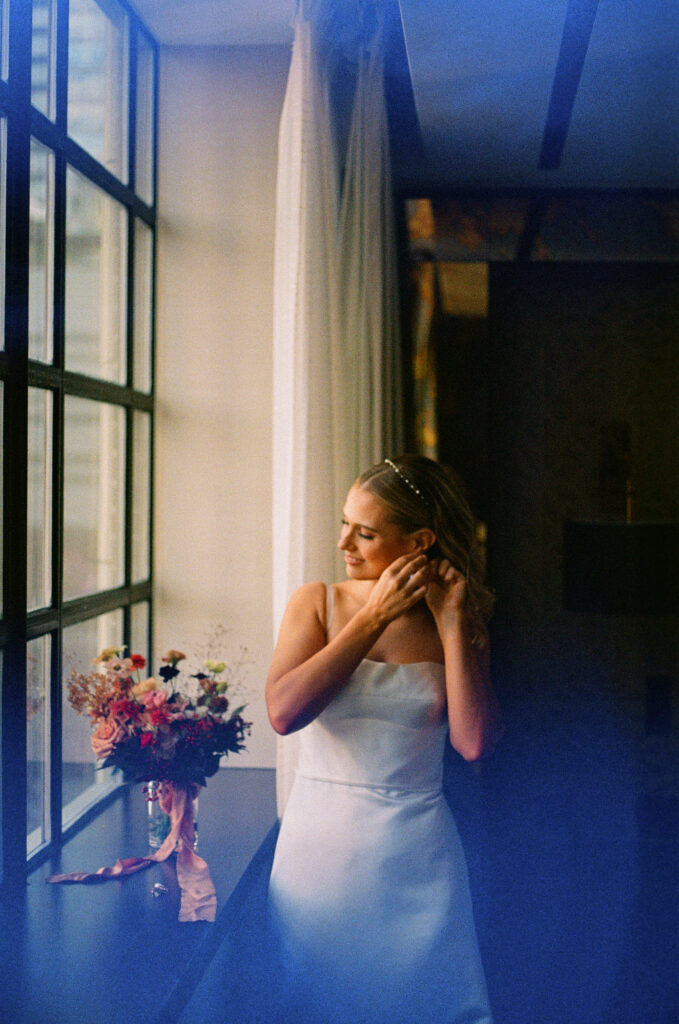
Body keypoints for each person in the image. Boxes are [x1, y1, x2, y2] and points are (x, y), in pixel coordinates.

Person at [265, 454, 501, 1024]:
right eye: (345, 522)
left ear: (419, 542)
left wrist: (451, 626)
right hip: (316, 854)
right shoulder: (316, 602)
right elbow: (283, 713)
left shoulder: (456, 615)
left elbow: (473, 743)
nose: (344, 540)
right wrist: (372, 617)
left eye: (365, 532)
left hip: (417, 859)